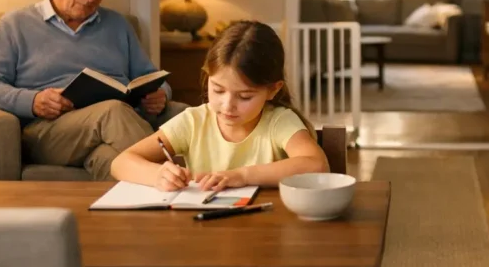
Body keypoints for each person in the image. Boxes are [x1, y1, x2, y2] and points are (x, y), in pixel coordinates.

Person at [0, 0, 186, 180]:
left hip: (116, 128)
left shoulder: (117, 25)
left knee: (111, 159)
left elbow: (153, 78)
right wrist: (33, 100)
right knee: (111, 112)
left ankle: (148, 212)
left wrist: (160, 94)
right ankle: (184, 179)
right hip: (48, 132)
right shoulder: (15, 25)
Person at [111, 20, 328, 192]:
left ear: (273, 90)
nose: (227, 106)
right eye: (218, 90)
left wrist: (242, 176)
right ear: (208, 78)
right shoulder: (193, 121)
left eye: (244, 97)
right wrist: (157, 175)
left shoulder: (279, 121)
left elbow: (317, 166)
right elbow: (121, 162)